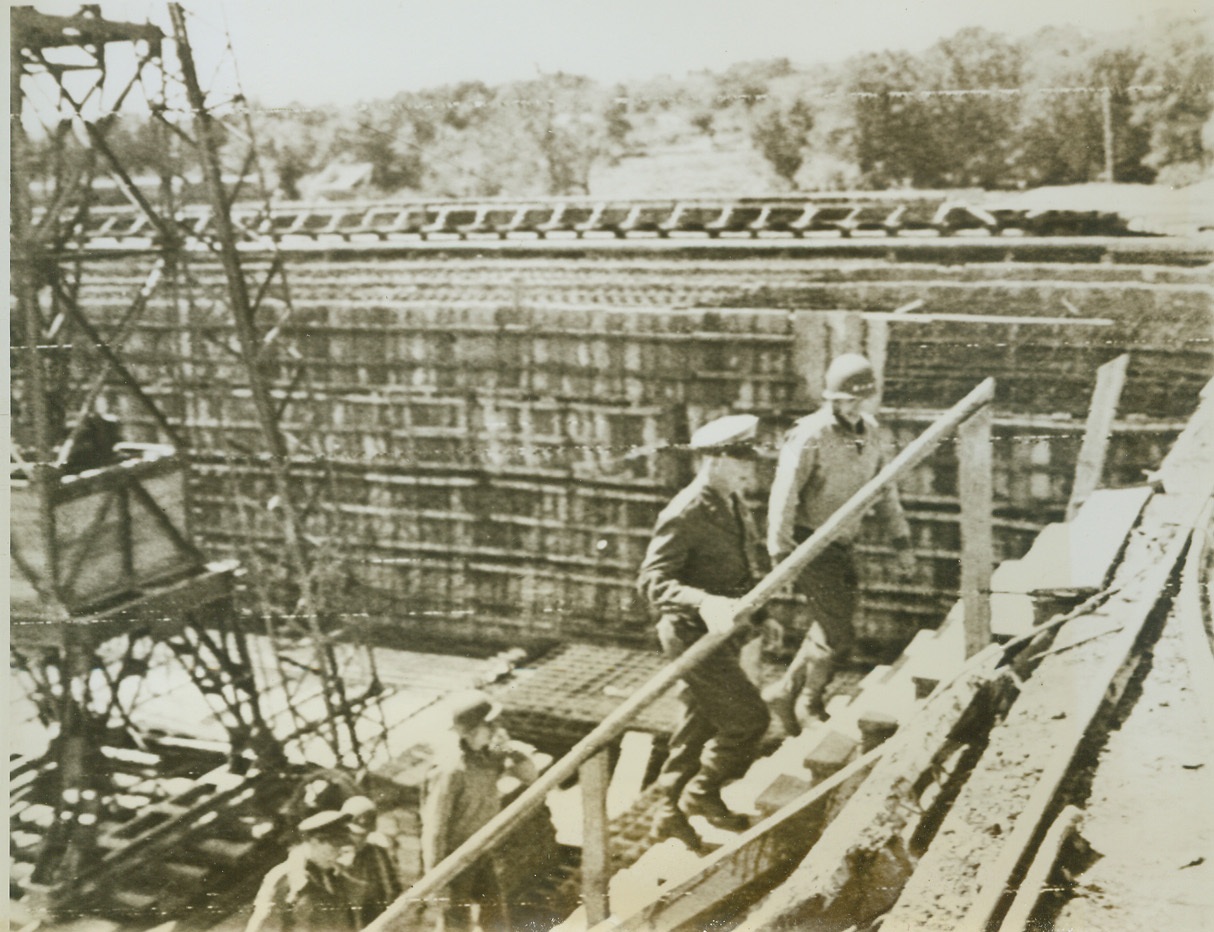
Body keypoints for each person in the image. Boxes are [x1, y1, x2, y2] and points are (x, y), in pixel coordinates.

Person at [637, 414, 771, 851]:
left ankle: (669, 815)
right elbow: (652, 581)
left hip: (721, 631)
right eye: (739, 464)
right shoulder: (688, 510)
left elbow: (743, 566)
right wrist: (704, 602)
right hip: (692, 632)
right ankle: (702, 793)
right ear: (714, 461)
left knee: (696, 728)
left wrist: (761, 618)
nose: (747, 473)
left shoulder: (730, 501)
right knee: (749, 718)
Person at [764, 353, 915, 736]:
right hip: (810, 544)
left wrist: (901, 542)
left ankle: (784, 692)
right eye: (844, 400)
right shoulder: (810, 435)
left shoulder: (872, 432)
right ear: (831, 399)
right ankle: (807, 703)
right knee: (839, 634)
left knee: (830, 622)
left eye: (859, 401)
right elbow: (784, 495)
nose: (852, 407)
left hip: (844, 542)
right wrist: (781, 554)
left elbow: (886, 489)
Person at [420, 691, 537, 932]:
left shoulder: (490, 757)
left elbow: (530, 776)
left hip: (481, 851)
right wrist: (435, 879)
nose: (496, 728)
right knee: (456, 922)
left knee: (495, 915)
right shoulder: (451, 769)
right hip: (453, 859)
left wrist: (510, 751)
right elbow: (434, 828)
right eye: (489, 724)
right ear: (471, 731)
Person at [245, 810, 360, 932]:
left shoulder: (332, 875)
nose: (339, 852)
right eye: (335, 845)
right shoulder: (284, 879)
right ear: (315, 842)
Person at [339, 795, 402, 927]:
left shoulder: (378, 854)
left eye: (364, 835)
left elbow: (393, 889)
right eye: (354, 834)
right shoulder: (335, 854)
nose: (359, 840)